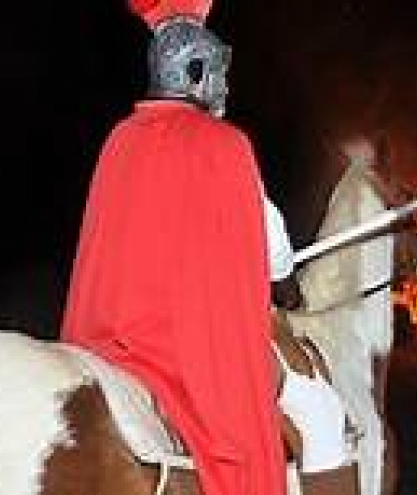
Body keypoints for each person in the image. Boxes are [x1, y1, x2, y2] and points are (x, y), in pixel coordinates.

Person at [61, 1, 292, 493]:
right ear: (193, 71)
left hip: (106, 338)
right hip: (182, 350)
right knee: (271, 423)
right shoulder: (226, 145)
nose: (226, 87)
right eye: (218, 73)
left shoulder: (118, 140)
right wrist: (281, 273)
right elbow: (274, 253)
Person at [290, 135, 400, 495]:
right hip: (326, 318)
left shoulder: (346, 194)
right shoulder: (365, 197)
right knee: (358, 422)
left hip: (308, 301)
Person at [272, 309, 359, 495]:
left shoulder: (307, 345)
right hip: (316, 474)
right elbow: (269, 421)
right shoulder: (265, 355)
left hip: (345, 465)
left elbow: (334, 405)